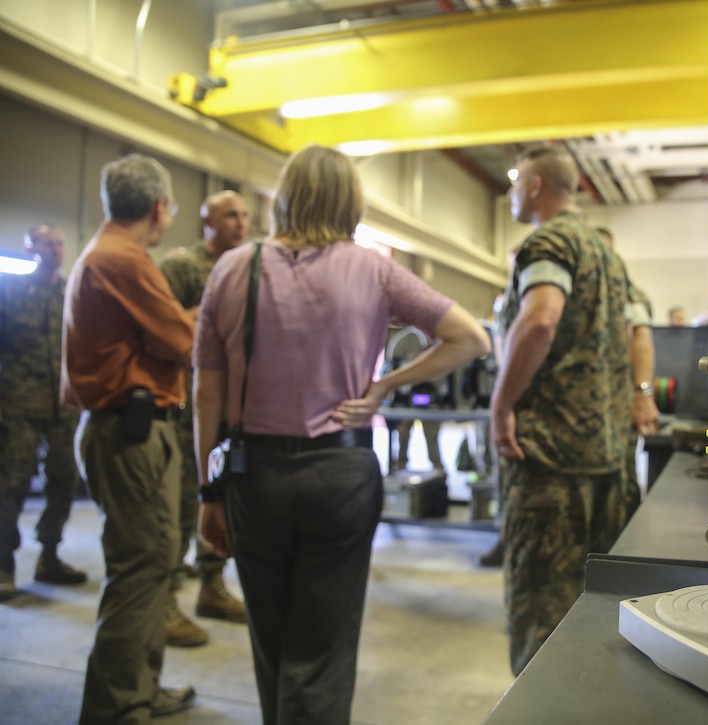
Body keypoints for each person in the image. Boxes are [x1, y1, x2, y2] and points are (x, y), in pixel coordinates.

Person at [194, 144, 490, 724]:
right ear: (349, 201)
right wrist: (385, 386)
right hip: (342, 475)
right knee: (324, 647)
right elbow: (470, 338)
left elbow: (206, 394)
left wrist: (208, 491)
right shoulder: (374, 269)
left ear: (287, 197)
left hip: (256, 474)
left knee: (270, 637)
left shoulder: (234, 267)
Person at [62, 154, 198, 721]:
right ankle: (118, 706)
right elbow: (185, 341)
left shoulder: (108, 252)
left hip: (125, 428)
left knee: (151, 563)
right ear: (160, 207)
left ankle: (140, 688)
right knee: (141, 569)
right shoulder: (125, 259)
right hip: (132, 432)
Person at [491, 145, 631, 675]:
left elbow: (541, 319)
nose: (510, 193)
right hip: (604, 458)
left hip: (549, 461)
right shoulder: (605, 253)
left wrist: (501, 403)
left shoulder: (549, 242)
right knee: (590, 618)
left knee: (541, 622)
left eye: (514, 183)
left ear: (533, 186)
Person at [158, 190, 249, 646]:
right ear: (207, 221)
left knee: (223, 499)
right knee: (180, 506)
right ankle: (167, 600)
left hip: (231, 411)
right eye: (230, 215)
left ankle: (212, 587)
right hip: (185, 408)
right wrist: (206, 318)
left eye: (245, 215)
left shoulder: (244, 267)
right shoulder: (181, 267)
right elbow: (160, 330)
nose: (241, 223)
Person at [0, 224, 87, 602]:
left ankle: (49, 556)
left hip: (64, 405)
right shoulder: (12, 291)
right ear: (31, 247)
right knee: (12, 483)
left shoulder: (73, 293)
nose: (55, 249)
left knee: (64, 479)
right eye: (48, 243)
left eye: (60, 242)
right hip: (19, 403)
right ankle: (3, 565)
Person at [595, 226, 660, 519]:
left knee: (621, 479)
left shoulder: (626, 290)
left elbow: (641, 339)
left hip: (618, 399)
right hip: (589, 403)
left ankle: (622, 547)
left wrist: (642, 394)